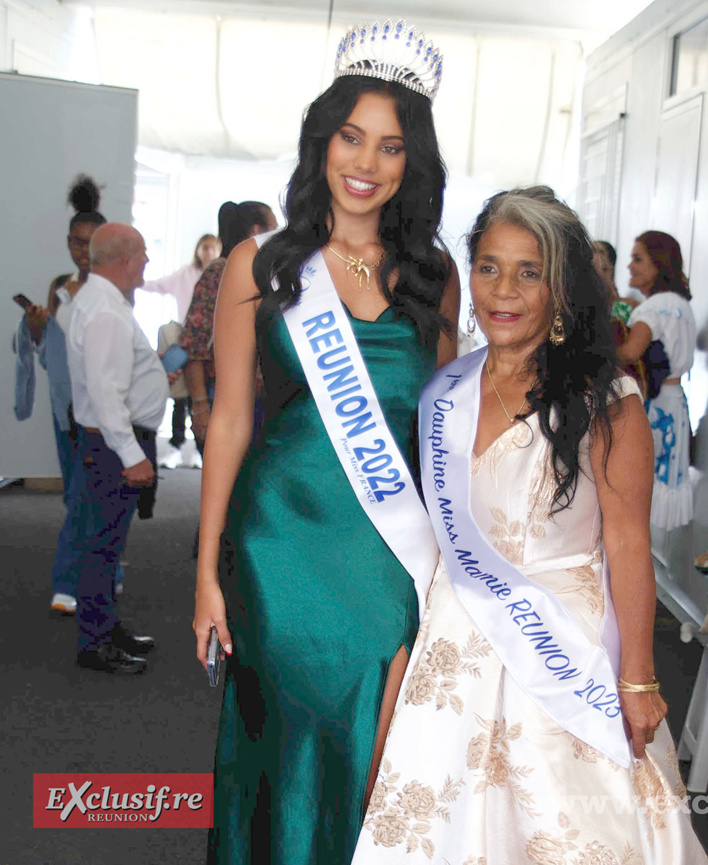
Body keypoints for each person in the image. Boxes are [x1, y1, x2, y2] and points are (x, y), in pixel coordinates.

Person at [353, 188, 707, 864]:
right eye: (487, 267)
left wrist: (637, 677)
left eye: (528, 270)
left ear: (561, 285)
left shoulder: (607, 401)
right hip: (452, 639)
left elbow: (629, 541)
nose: (503, 290)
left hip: (562, 646)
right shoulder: (443, 389)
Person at [192, 20, 458, 863]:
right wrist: (206, 570)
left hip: (385, 548)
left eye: (389, 146)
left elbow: (443, 428)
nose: (366, 163)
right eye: (352, 137)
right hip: (279, 543)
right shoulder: (260, 264)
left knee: (374, 747)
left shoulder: (433, 275)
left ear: (410, 161)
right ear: (323, 139)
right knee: (280, 743)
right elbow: (229, 419)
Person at [62, 223, 167, 674]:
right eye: (142, 253)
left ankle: (104, 627)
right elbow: (107, 395)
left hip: (106, 443)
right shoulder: (106, 310)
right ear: (123, 258)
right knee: (102, 546)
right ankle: (96, 642)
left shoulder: (101, 301)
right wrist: (133, 456)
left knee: (104, 543)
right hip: (112, 446)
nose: (146, 261)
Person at [13, 175, 107, 614]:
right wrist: (35, 324)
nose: (81, 250)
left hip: (100, 408)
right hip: (62, 405)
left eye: (89, 243)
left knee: (89, 493)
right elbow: (44, 345)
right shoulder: (58, 285)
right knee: (77, 492)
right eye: (75, 242)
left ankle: (70, 583)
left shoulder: (111, 289)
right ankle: (107, 569)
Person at [178, 203, 275, 449]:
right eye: (273, 228)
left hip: (257, 400)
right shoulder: (220, 272)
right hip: (224, 399)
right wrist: (200, 405)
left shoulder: (261, 276)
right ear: (256, 231)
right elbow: (194, 343)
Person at [617, 231, 696, 530]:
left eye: (638, 259)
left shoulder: (651, 308)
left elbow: (629, 352)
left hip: (654, 406)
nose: (630, 266)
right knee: (663, 480)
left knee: (639, 486)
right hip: (676, 403)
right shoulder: (681, 305)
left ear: (658, 264)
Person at [138, 233, 221, 463]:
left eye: (213, 248)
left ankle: (197, 449)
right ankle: (175, 445)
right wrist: (133, 280)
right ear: (197, 250)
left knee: (204, 395)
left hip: (211, 346)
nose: (208, 252)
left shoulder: (221, 273)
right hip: (187, 341)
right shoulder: (186, 274)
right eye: (204, 247)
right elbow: (158, 285)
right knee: (179, 394)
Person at [593, 240, 647, 396]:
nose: (598, 275)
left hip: (624, 389)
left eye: (604, 269)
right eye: (593, 268)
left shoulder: (630, 307)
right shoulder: (570, 310)